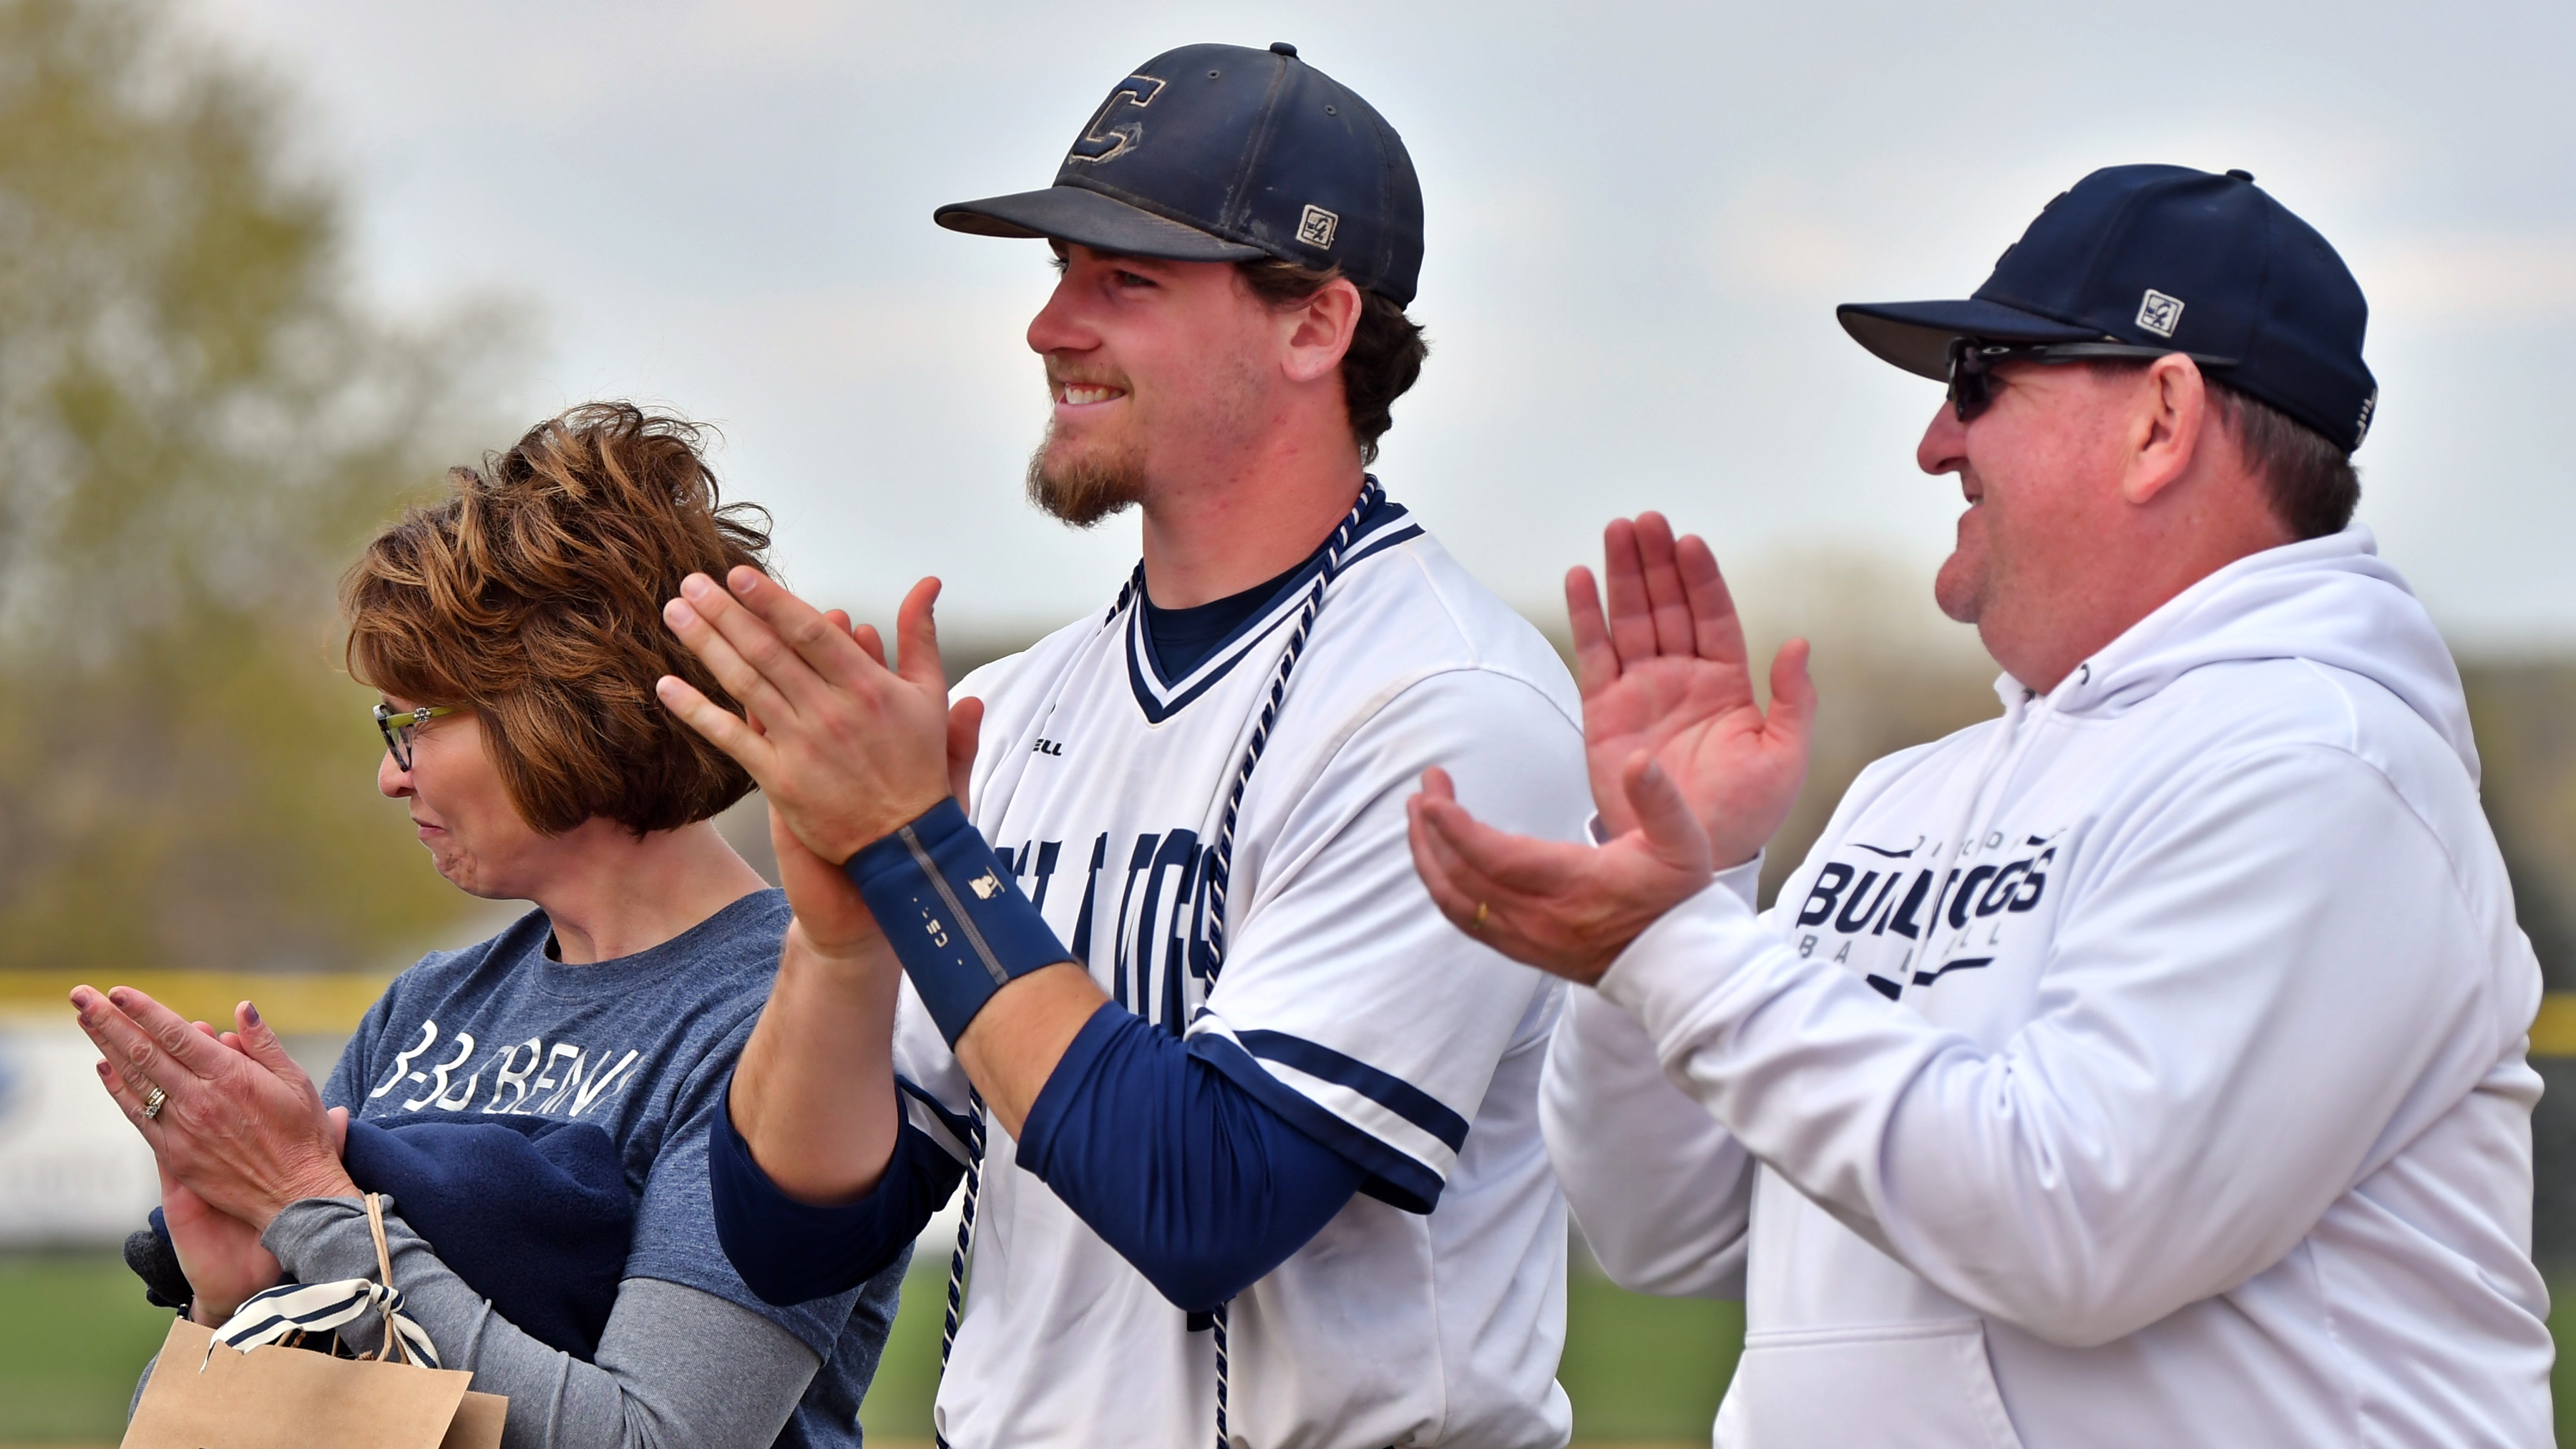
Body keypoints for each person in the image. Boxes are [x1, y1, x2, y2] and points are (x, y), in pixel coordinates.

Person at [1407, 165, 2553, 1445]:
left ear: (2161, 420)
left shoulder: (2328, 769)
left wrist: (1667, 945)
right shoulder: (1915, 791)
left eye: (1980, 379)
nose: (1935, 441)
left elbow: (2078, 1226)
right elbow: (1658, 1226)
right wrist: (1683, 874)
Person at [653, 42, 1590, 1449]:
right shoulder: (1022, 706)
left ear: (1315, 325)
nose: (1049, 325)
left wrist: (916, 851)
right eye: (1058, 269)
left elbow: (1208, 1200)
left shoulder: (1449, 709)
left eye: (1125, 280)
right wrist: (843, 938)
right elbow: (798, 1232)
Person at [71, 403, 907, 1449]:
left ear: (562, 696)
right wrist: (233, 1302)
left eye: (412, 721)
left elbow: (662, 1437)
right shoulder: (429, 1003)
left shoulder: (784, 1019)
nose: (389, 774)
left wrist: (313, 1213)